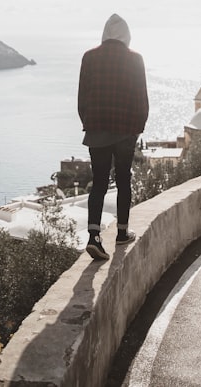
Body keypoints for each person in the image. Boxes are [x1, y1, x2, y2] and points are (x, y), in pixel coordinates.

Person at [77, 13, 149, 260]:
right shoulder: (135, 59)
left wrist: (88, 121)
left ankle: (94, 236)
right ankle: (122, 232)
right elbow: (142, 98)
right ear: (126, 36)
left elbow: (82, 97)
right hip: (125, 128)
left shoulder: (89, 57)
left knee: (98, 182)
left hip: (97, 128)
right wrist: (138, 127)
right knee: (123, 180)